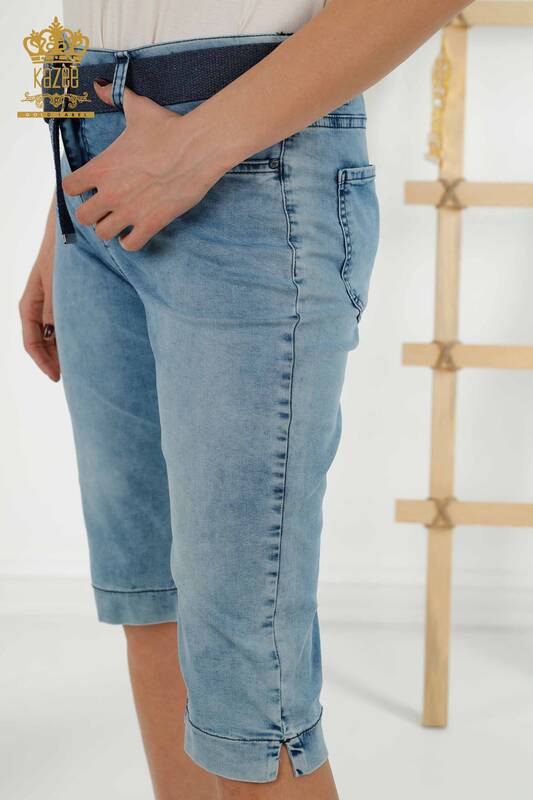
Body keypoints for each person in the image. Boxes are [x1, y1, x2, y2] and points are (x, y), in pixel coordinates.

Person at [19, 1, 472, 798]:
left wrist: (196, 147)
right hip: (92, 163)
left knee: (248, 681)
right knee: (150, 601)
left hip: (246, 161)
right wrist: (61, 218)